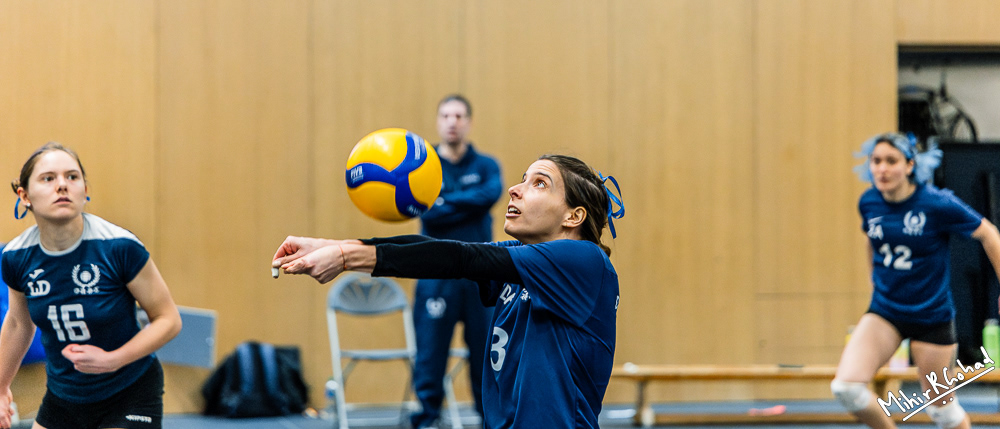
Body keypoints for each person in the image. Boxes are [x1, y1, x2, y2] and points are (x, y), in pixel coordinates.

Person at [273, 154, 624, 428]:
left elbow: (460, 257)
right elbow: (441, 250)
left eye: (540, 183)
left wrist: (346, 256)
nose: (515, 190)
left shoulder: (584, 261)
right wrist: (334, 245)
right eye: (522, 179)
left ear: (573, 217)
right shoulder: (520, 263)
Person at [0, 143, 182, 429]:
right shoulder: (16, 256)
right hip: (65, 396)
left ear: (85, 191)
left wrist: (113, 359)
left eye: (72, 177)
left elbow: (168, 320)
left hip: (129, 389)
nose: (62, 185)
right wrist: (0, 389)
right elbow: (18, 325)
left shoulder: (119, 246)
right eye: (48, 178)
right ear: (24, 196)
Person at [832, 133, 1000, 429]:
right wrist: (875, 280)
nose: (882, 169)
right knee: (846, 389)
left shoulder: (937, 204)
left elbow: (988, 234)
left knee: (942, 411)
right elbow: (872, 240)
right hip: (886, 312)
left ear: (910, 165)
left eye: (891, 161)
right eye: (876, 161)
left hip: (931, 317)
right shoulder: (869, 202)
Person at [409, 94, 503, 428]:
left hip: (481, 278)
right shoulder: (423, 166)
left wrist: (445, 200)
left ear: (469, 122)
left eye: (459, 115)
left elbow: (488, 196)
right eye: (446, 115)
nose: (452, 121)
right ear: (438, 121)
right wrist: (459, 204)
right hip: (437, 276)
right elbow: (427, 212)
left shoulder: (487, 165)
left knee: (487, 358)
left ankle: (490, 420)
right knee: (430, 356)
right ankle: (427, 420)